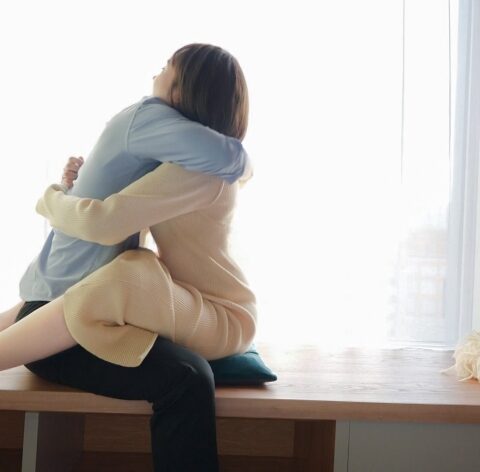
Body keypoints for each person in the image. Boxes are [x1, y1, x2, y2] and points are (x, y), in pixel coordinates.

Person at [0, 43, 253, 471]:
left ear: (181, 91)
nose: (157, 72)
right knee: (122, 270)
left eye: (167, 66)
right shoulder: (185, 163)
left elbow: (105, 223)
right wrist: (81, 183)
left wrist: (53, 199)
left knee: (130, 274)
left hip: (221, 314)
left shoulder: (198, 172)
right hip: (190, 301)